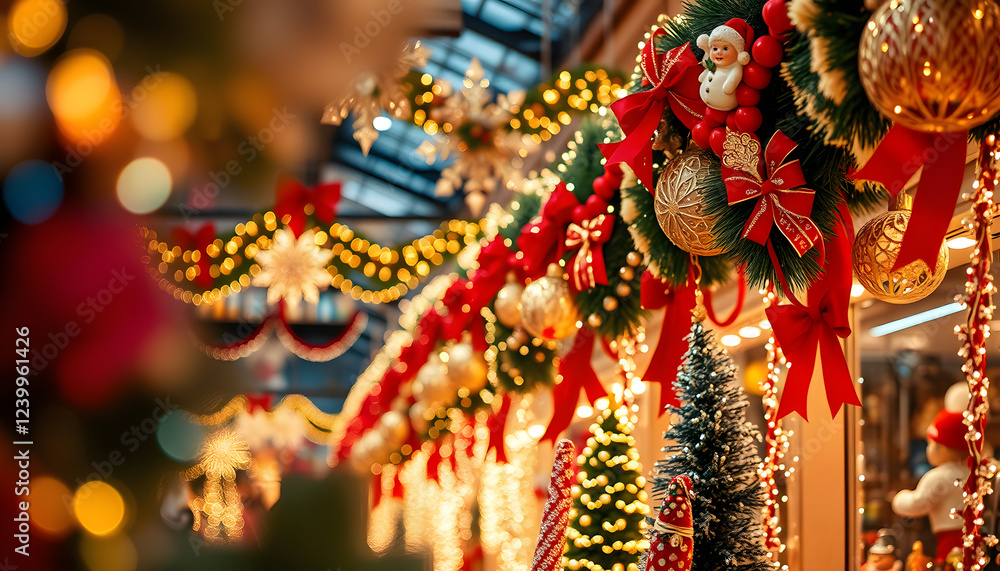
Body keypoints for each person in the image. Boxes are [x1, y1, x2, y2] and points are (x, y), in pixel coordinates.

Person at [696, 19, 753, 112]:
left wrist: (729, 86)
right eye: (715, 48)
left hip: (726, 104)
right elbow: (708, 72)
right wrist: (703, 75)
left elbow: (734, 79)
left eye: (725, 48)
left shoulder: (735, 67)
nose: (718, 52)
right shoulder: (715, 65)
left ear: (738, 53)